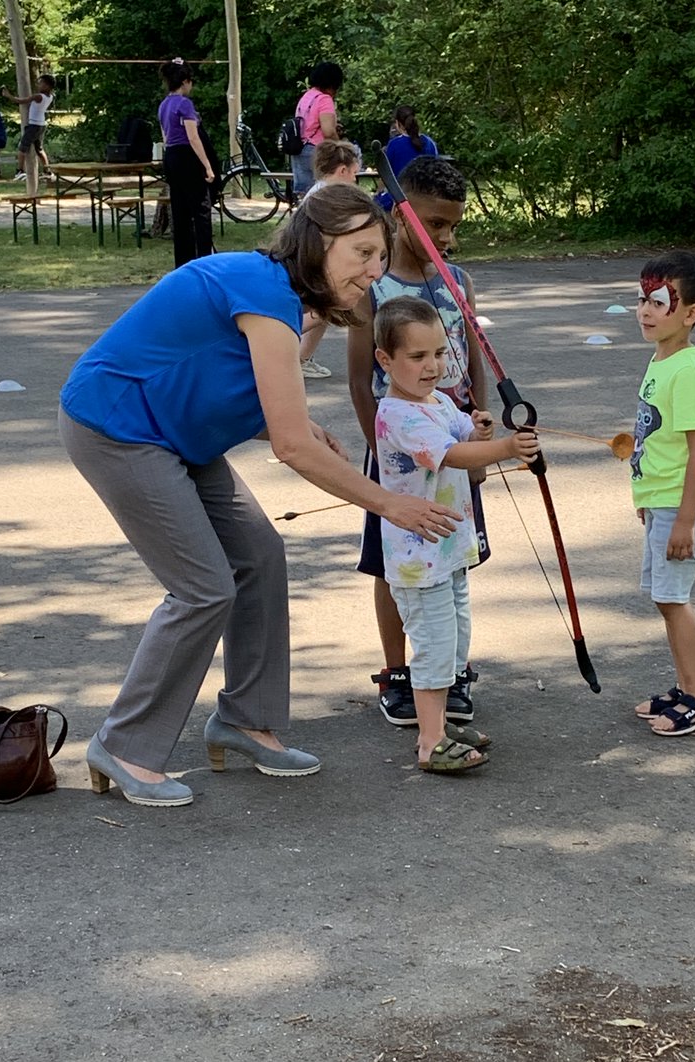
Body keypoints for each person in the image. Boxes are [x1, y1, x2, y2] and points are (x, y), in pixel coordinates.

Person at [58, 185, 461, 809]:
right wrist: (389, 502)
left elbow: (220, 377)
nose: (374, 271)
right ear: (316, 243)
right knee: (203, 587)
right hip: (117, 430)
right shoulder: (262, 288)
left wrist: (284, 419)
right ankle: (126, 743)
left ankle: (246, 719)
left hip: (178, 436)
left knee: (260, 556)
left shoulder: (291, 300)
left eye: (380, 256)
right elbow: (293, 448)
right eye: (360, 253)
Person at [347, 155, 489, 727]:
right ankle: (398, 672)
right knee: (394, 563)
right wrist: (382, 459)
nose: (447, 236)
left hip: (454, 442)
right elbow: (361, 380)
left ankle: (448, 670)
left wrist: (481, 422)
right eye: (435, 224)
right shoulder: (371, 289)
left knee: (452, 556)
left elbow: (473, 361)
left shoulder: (460, 282)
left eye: (455, 225)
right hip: (399, 448)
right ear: (401, 216)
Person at [374, 296, 538, 772]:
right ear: (385, 360)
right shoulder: (398, 415)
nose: (433, 366)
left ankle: (439, 723)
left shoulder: (440, 401)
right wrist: (507, 447)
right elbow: (451, 456)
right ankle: (429, 742)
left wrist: (483, 430)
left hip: (448, 550)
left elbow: (466, 438)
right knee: (435, 643)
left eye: (440, 353)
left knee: (455, 641)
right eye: (418, 357)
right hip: (417, 556)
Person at [630, 252, 695, 737]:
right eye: (642, 299)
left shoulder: (686, 371)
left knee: (673, 599)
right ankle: (687, 687)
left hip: (682, 506)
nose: (646, 310)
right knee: (665, 599)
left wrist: (685, 520)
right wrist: (647, 498)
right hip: (663, 502)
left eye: (659, 301)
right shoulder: (662, 358)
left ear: (690, 313)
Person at [300, 140, 363, 380]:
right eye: (355, 174)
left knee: (328, 310)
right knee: (328, 309)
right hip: (312, 264)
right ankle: (294, 352)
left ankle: (302, 355)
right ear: (343, 171)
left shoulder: (320, 191)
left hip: (314, 261)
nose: (355, 181)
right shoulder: (327, 196)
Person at [158, 58, 217, 269]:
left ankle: (182, 262)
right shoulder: (185, 104)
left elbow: (165, 136)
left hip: (171, 156)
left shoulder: (164, 104)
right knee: (201, 209)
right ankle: (204, 258)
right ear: (184, 81)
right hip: (187, 155)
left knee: (180, 210)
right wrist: (207, 165)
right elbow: (193, 137)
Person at [292, 62, 344, 198]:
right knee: (321, 195)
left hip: (300, 150)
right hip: (316, 152)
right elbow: (328, 132)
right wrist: (340, 146)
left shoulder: (307, 97)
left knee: (305, 196)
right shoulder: (324, 99)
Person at [376, 106, 439, 211]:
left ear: (398, 123)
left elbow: (386, 175)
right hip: (425, 198)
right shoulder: (429, 143)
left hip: (399, 198)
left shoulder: (394, 144)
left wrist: (378, 193)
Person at [1, 73, 55, 181]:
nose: (38, 85)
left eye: (41, 83)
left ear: (47, 86)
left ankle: (20, 171)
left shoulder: (38, 96)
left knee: (22, 147)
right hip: (41, 124)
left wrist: (8, 96)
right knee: (39, 149)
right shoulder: (50, 96)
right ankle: (47, 171)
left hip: (34, 125)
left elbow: (20, 101)